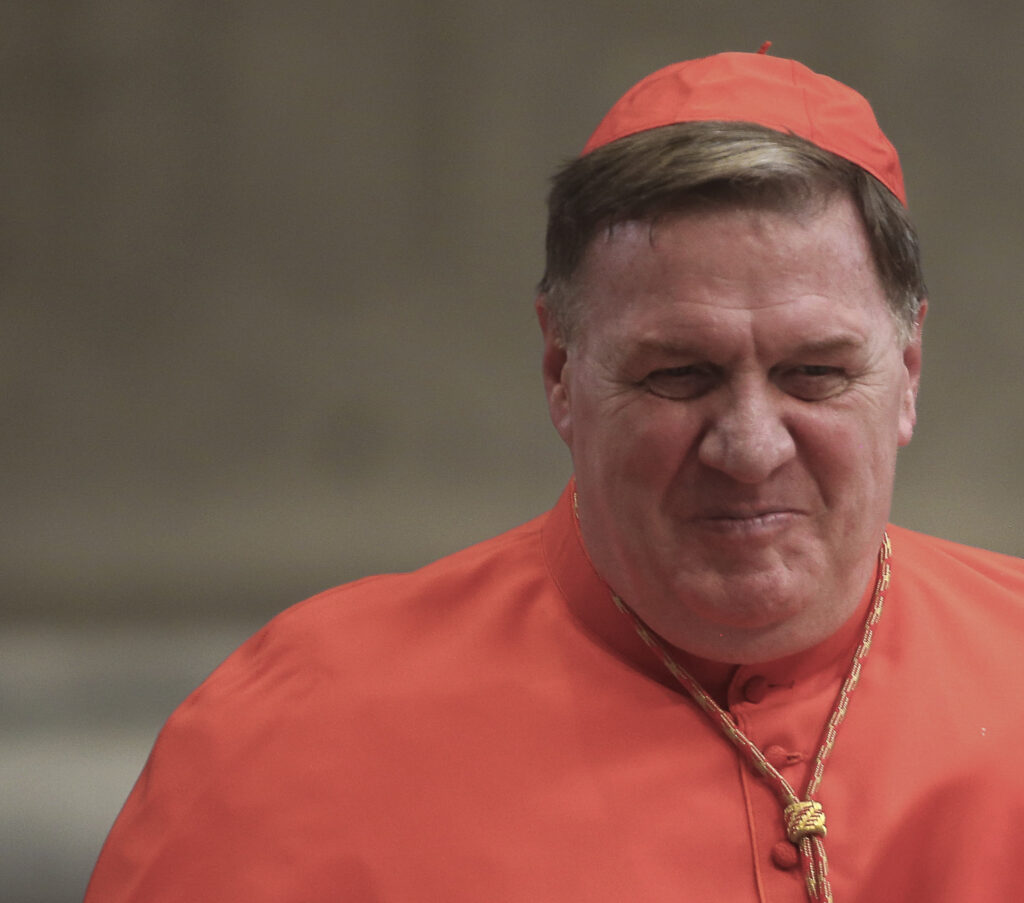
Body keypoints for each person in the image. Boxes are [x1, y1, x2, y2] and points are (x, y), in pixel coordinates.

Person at [84, 50, 1024, 903]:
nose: (749, 448)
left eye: (813, 373)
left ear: (907, 374)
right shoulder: (294, 736)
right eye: (679, 375)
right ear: (560, 371)